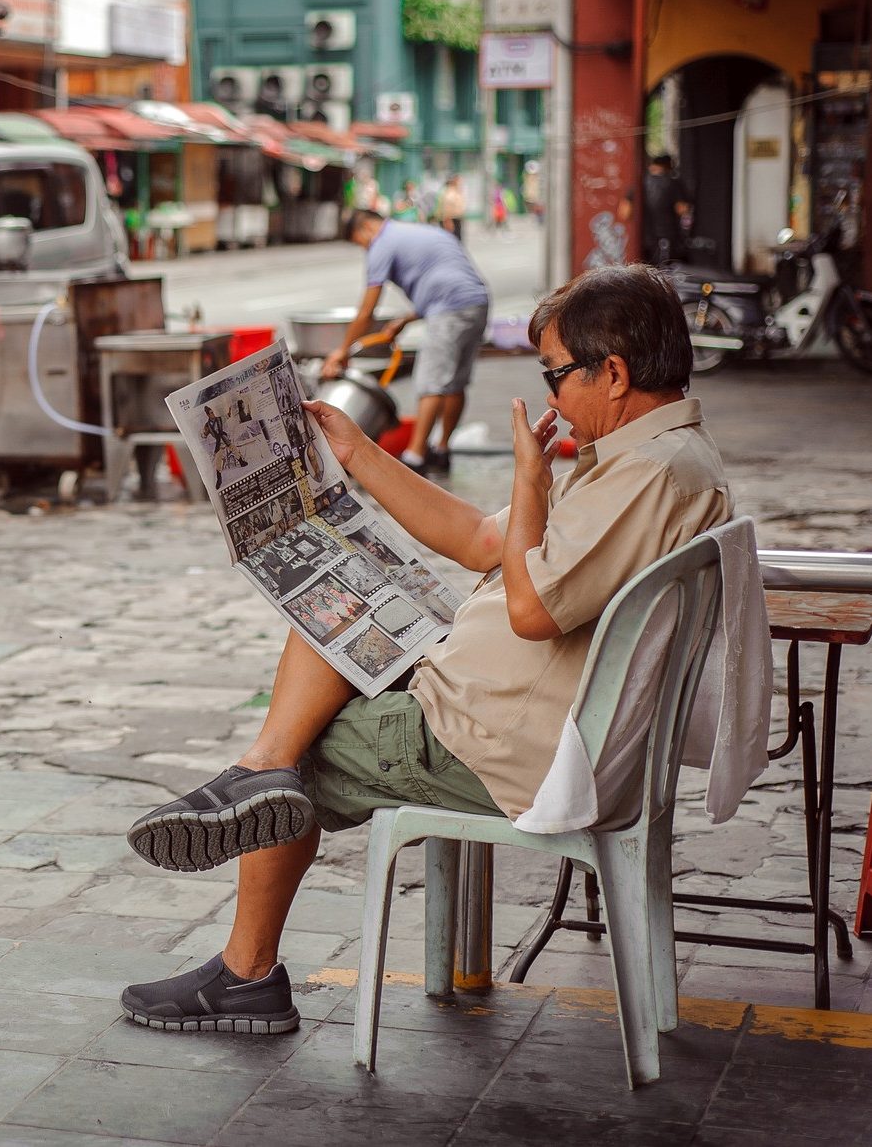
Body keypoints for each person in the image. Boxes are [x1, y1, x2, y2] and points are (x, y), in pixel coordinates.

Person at [118, 265, 729, 1034]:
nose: (550, 396)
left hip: (494, 737)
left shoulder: (651, 474)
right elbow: (484, 541)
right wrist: (360, 454)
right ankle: (257, 770)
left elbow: (533, 609)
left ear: (614, 374)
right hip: (501, 702)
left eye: (557, 375)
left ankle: (247, 963)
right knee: (332, 610)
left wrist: (532, 482)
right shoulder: (654, 457)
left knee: (301, 753)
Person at [327, 208, 491, 473]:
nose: (365, 249)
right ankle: (442, 450)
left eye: (360, 243)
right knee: (455, 382)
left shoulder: (382, 243)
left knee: (431, 382)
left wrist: (342, 351)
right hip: (476, 302)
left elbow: (367, 311)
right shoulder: (416, 231)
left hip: (448, 309)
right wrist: (406, 319)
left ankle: (414, 458)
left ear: (365, 228)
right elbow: (445, 277)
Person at [643, 153, 692, 264]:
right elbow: (682, 209)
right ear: (668, 165)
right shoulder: (673, 182)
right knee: (664, 271)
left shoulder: (640, 182)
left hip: (644, 237)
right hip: (666, 236)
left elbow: (625, 212)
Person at [438, 174, 467, 239]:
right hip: (451, 219)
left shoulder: (456, 191)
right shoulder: (448, 192)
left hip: (456, 218)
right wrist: (448, 221)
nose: (459, 182)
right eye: (457, 180)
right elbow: (446, 208)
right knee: (453, 238)